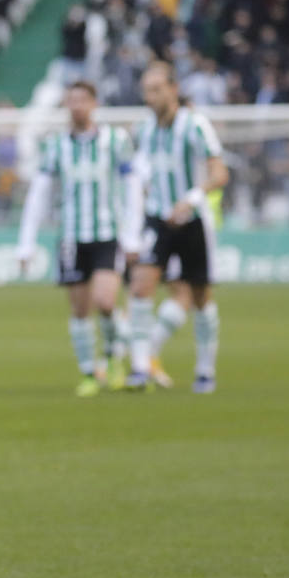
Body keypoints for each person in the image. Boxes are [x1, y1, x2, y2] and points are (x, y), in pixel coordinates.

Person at [16, 81, 140, 396]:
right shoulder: (56, 145)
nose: (77, 105)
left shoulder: (115, 140)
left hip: (107, 233)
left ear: (94, 103)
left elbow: (132, 186)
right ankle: (89, 372)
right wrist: (26, 241)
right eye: (71, 100)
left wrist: (132, 234)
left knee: (106, 301)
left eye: (82, 99)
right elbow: (40, 194)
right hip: (71, 237)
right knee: (80, 309)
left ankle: (113, 358)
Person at [124, 61, 229, 393]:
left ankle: (205, 369)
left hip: (193, 220)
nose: (150, 97)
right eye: (146, 91)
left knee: (200, 296)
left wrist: (192, 198)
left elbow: (219, 173)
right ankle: (141, 366)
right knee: (141, 285)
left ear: (173, 89)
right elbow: (138, 174)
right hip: (157, 219)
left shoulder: (195, 125)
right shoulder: (143, 130)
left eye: (156, 90)